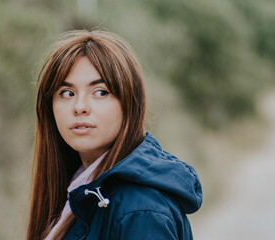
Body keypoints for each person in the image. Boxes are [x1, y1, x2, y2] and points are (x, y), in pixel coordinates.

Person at [27, 29, 202, 240]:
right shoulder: (79, 190)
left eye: (100, 92)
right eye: (67, 93)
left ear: (129, 103)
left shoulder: (141, 210)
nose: (80, 107)